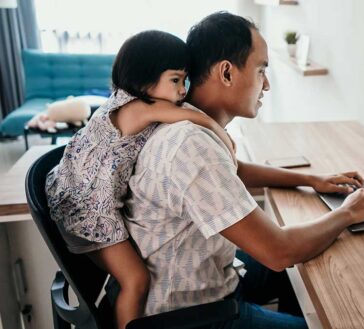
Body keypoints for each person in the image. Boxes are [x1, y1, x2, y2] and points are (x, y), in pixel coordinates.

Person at [123, 12, 364, 329]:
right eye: (261, 71)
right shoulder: (191, 145)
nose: (268, 85)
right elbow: (278, 251)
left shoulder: (185, 121)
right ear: (227, 73)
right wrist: (347, 213)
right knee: (304, 269)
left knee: (308, 267)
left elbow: (234, 170)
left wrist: (312, 179)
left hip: (212, 275)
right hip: (192, 316)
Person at [45, 30, 237, 329]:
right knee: (136, 279)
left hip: (76, 195)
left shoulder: (125, 103)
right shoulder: (137, 107)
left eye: (185, 80)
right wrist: (223, 135)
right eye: (175, 80)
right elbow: (194, 117)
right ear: (144, 78)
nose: (183, 90)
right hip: (87, 213)